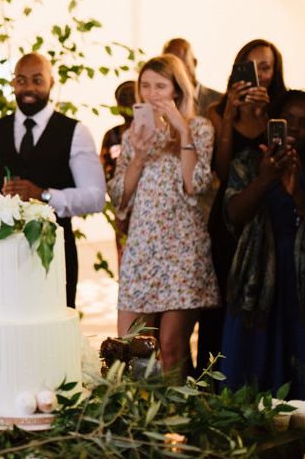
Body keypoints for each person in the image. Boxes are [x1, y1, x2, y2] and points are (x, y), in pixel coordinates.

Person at [220, 91, 305, 418]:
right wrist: (265, 179)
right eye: (288, 120)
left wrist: (299, 194)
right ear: (274, 119)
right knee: (253, 372)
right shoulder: (248, 160)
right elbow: (233, 215)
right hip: (256, 285)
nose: (295, 129)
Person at [108, 55, 218, 378]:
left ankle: (177, 422)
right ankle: (140, 419)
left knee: (171, 348)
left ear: (177, 90)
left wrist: (183, 133)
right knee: (132, 348)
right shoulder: (131, 136)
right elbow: (120, 197)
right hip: (142, 248)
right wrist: (139, 156)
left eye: (160, 86)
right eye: (146, 86)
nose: (153, 93)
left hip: (182, 249)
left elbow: (195, 184)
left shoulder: (199, 128)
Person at [0, 52, 105, 308]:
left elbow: (96, 197)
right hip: (2, 253)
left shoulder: (75, 132)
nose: (29, 88)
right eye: (21, 80)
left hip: (55, 251)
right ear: (13, 83)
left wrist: (44, 195)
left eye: (37, 80)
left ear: (51, 82)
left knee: (50, 332)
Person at [197, 39, 287, 372]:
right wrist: (232, 113)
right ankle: (215, 379)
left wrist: (267, 114)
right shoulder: (217, 110)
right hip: (230, 215)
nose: (258, 74)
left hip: (271, 212)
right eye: (250, 66)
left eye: (265, 66)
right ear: (237, 70)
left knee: (267, 296)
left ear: (275, 71)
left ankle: (260, 373)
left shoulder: (281, 107)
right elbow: (220, 169)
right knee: (222, 297)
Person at [100, 80, 135, 266]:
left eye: (131, 98)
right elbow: (106, 172)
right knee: (125, 259)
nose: (126, 104)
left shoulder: (154, 132)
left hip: (146, 207)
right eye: (122, 100)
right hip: (121, 206)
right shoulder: (112, 135)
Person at [163, 37, 222, 117]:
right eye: (170, 66)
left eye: (181, 64)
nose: (176, 72)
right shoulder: (159, 102)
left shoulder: (219, 100)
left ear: (194, 63)